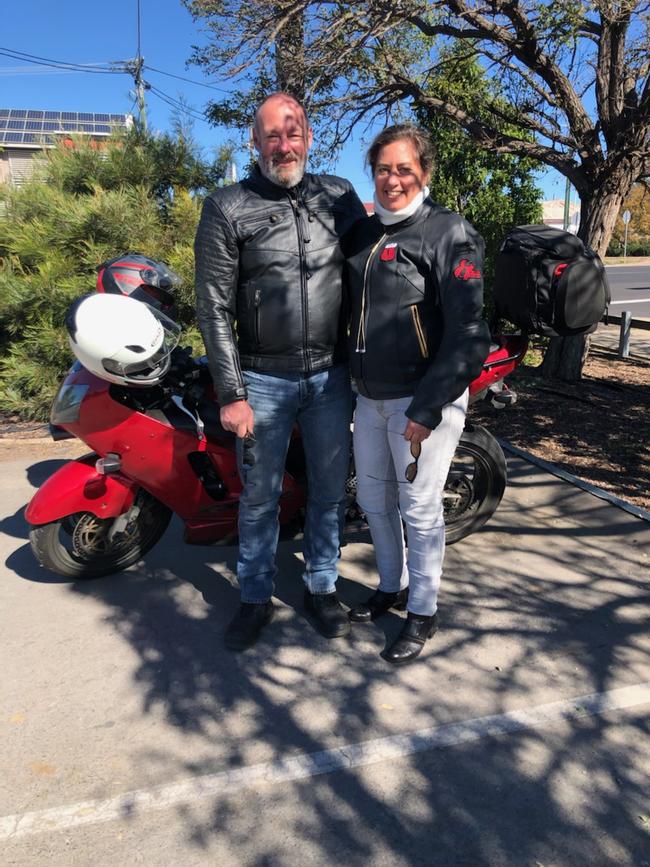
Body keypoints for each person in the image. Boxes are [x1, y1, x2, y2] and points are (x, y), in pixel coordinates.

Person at [194, 92, 367, 651]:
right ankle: (253, 597)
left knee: (327, 492)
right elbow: (213, 304)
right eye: (272, 135)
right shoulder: (228, 205)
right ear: (255, 141)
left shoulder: (340, 197)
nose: (284, 145)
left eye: (293, 133)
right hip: (262, 381)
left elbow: (374, 278)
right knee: (260, 497)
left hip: (331, 376)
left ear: (309, 137)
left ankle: (321, 588)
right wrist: (232, 391)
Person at [345, 124, 490, 664]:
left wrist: (429, 407)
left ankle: (424, 611)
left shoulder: (448, 233)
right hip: (368, 396)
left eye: (404, 169)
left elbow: (470, 333)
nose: (393, 179)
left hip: (422, 401)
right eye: (383, 168)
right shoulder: (362, 235)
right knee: (372, 501)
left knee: (420, 509)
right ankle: (391, 585)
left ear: (423, 173)